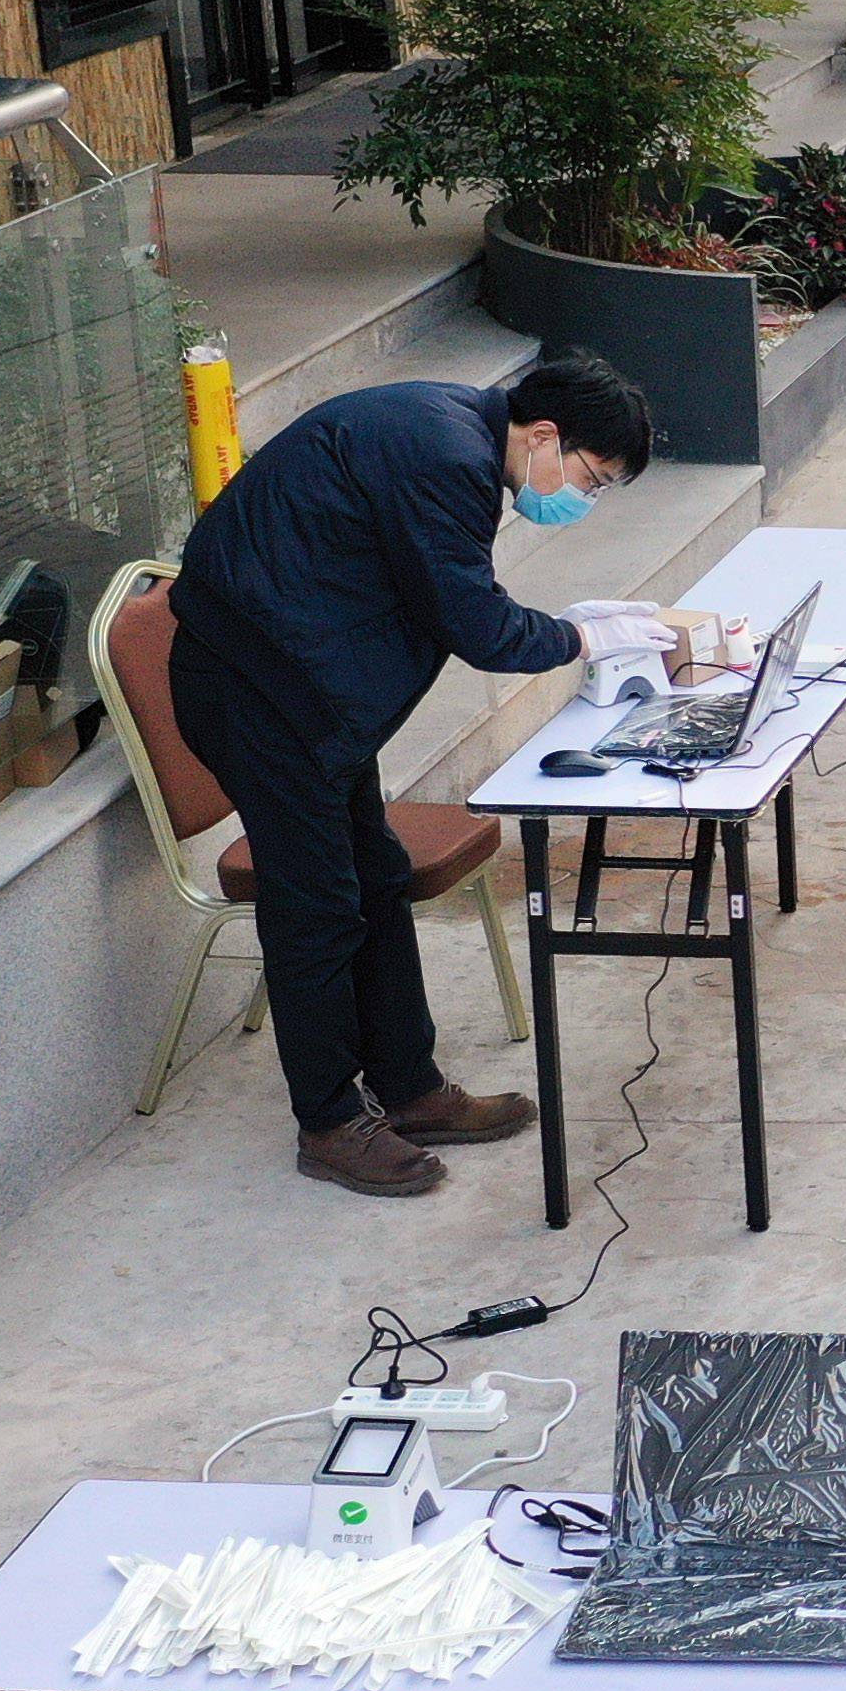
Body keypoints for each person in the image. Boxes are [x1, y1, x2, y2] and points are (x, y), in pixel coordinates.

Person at [167, 360, 662, 1197]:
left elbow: (442, 593)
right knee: (317, 906)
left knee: (377, 877)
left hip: (303, 688)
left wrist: (563, 627)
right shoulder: (445, 458)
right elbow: (475, 624)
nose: (585, 499)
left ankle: (409, 1088)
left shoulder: (451, 432)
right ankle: (330, 1123)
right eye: (593, 479)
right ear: (545, 435)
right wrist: (577, 639)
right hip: (256, 692)